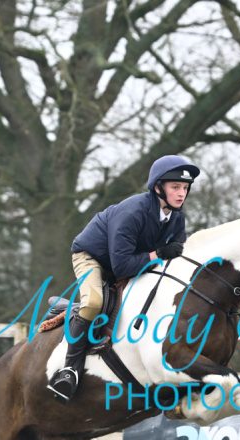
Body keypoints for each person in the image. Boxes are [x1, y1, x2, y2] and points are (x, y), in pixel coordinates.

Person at [47, 155, 201, 402]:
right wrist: (159, 254)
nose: (181, 193)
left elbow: (173, 262)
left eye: (185, 188)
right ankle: (69, 370)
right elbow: (121, 267)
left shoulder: (176, 218)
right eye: (175, 187)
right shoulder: (133, 211)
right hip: (94, 258)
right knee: (94, 303)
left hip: (130, 262)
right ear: (158, 188)